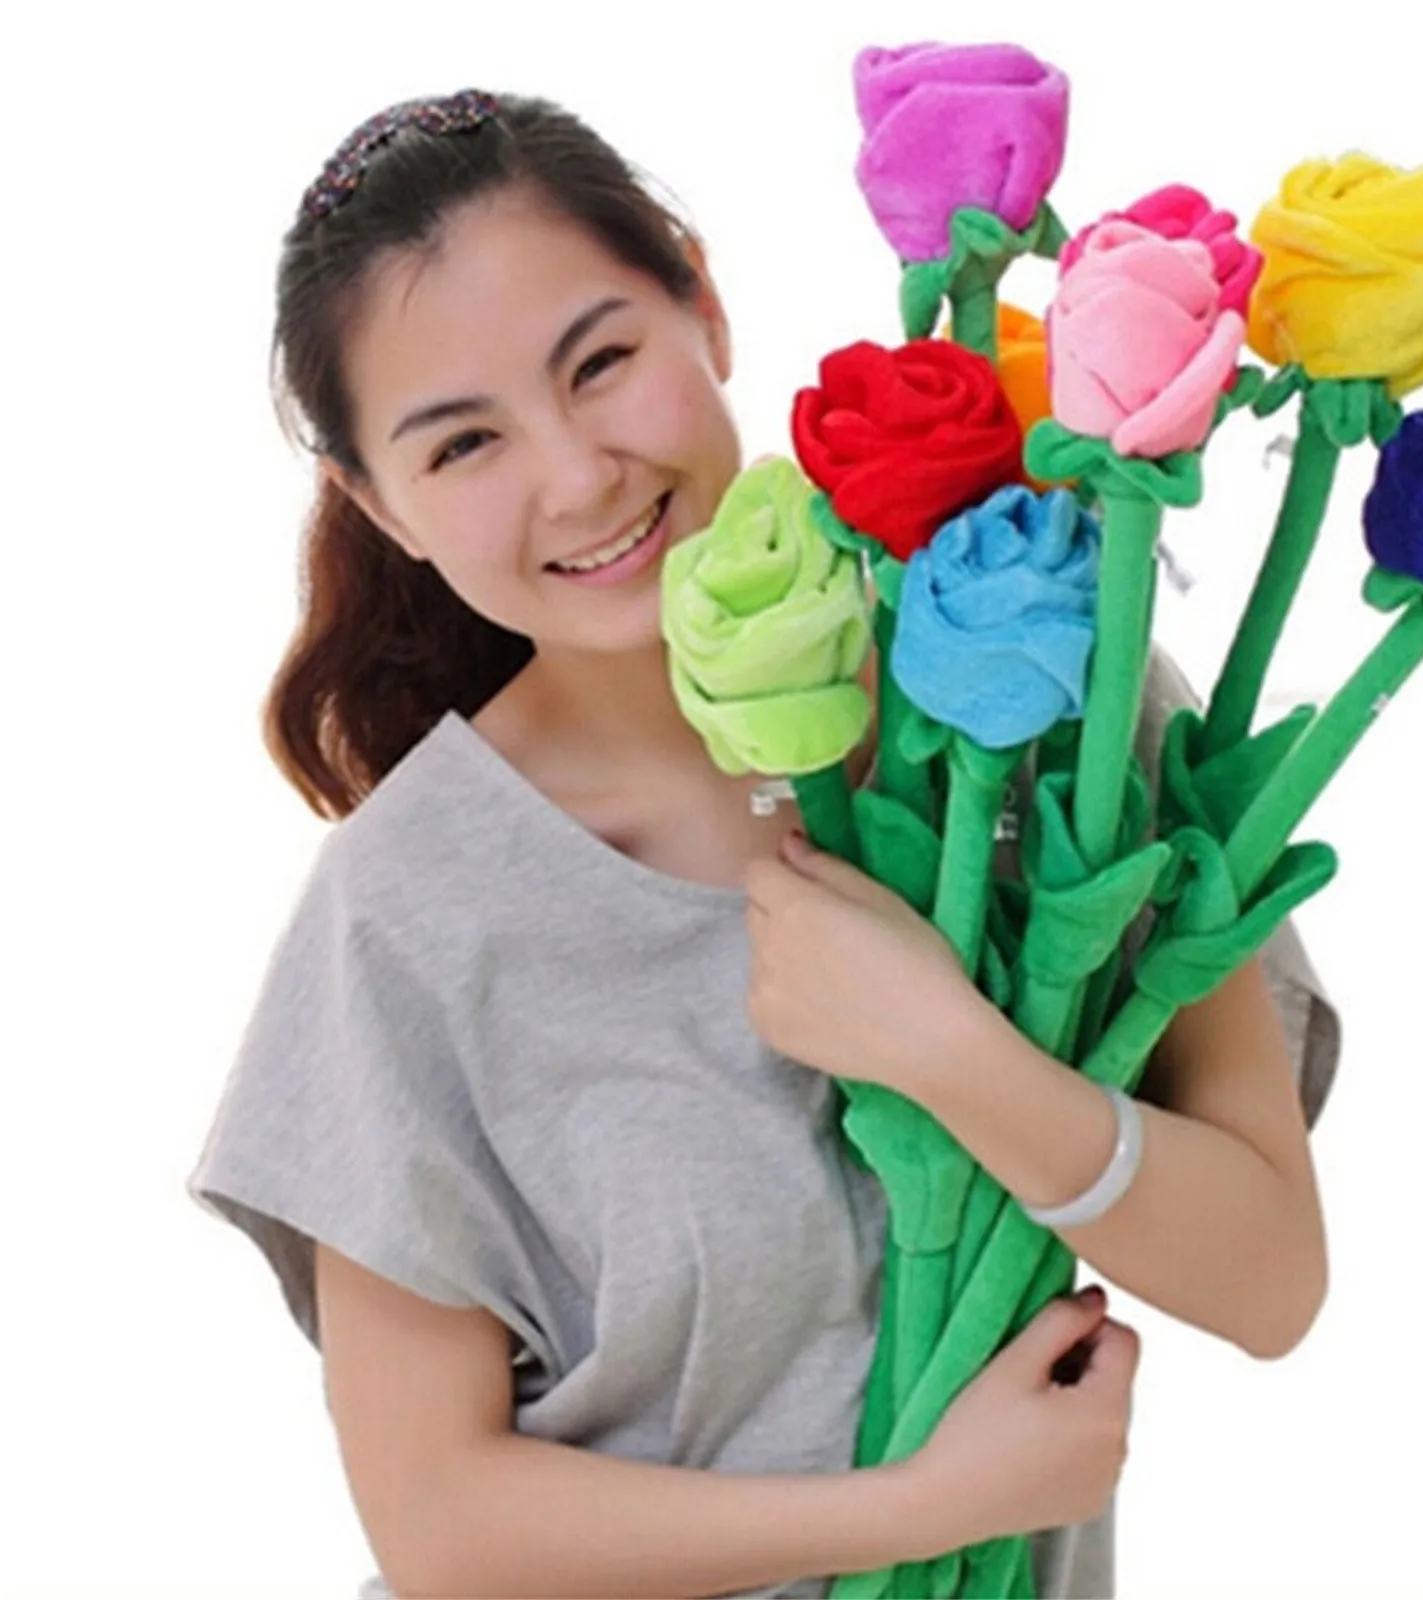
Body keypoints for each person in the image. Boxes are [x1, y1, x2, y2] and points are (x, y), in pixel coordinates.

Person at [187, 89, 1342, 1600]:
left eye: (600, 363)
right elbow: (440, 1525)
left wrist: (953, 1053)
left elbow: (1269, 1279)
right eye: (464, 444)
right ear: (379, 506)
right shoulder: (413, 905)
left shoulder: (1041, 682)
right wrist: (917, 1508)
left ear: (703, 300)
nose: (578, 477)